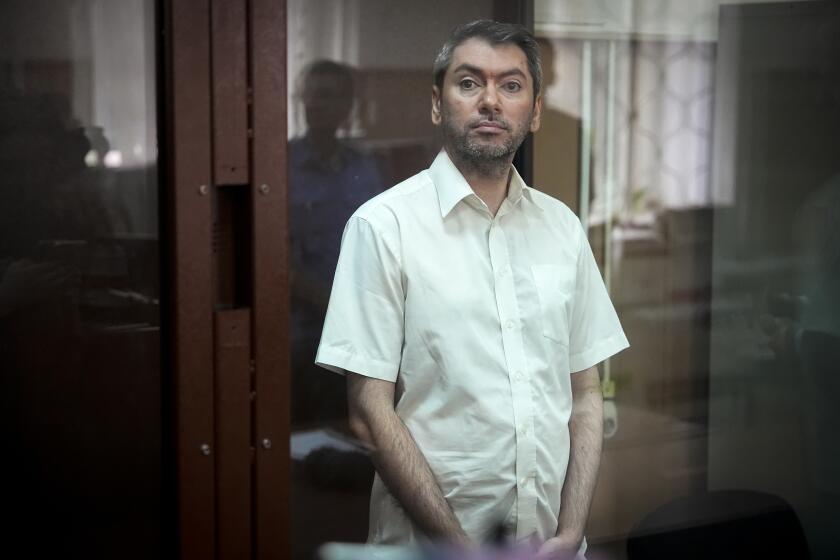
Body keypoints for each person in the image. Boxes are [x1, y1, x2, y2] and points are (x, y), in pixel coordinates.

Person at [315, 20, 628, 558]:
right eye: (468, 83)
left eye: (510, 86)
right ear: (438, 103)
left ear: (534, 111)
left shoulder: (563, 228)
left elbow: (584, 393)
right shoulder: (383, 226)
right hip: (430, 549)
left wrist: (572, 532)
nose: (490, 101)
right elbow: (369, 408)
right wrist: (461, 549)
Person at [289, 60, 384, 424]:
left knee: (358, 428)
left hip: (363, 326)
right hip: (304, 331)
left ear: (347, 106)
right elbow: (274, 254)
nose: (315, 103)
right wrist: (327, 303)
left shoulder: (364, 166)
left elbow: (382, 241)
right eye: (310, 94)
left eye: (327, 95)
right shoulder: (281, 165)